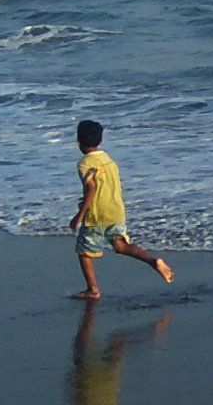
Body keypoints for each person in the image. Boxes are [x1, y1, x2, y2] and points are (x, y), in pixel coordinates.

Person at [68, 119, 173, 298]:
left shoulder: (85, 163)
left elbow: (92, 188)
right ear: (101, 141)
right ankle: (153, 261)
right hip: (116, 211)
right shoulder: (109, 160)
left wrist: (79, 214)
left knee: (84, 252)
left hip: (97, 216)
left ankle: (92, 289)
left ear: (78, 142)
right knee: (120, 245)